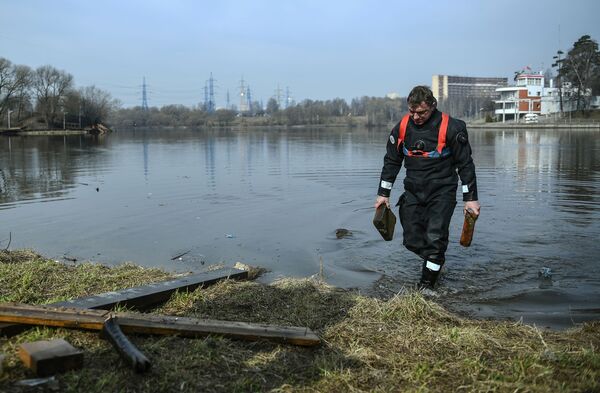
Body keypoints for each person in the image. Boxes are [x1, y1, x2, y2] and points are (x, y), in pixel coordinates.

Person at [375, 85, 480, 289]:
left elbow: (465, 165)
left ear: (432, 106)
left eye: (421, 112)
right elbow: (391, 162)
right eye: (412, 111)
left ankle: (426, 288)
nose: (416, 117)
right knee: (411, 240)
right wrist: (383, 194)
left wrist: (470, 198)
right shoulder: (402, 128)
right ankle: (435, 260)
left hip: (442, 193)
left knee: (435, 239)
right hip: (413, 193)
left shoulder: (452, 128)